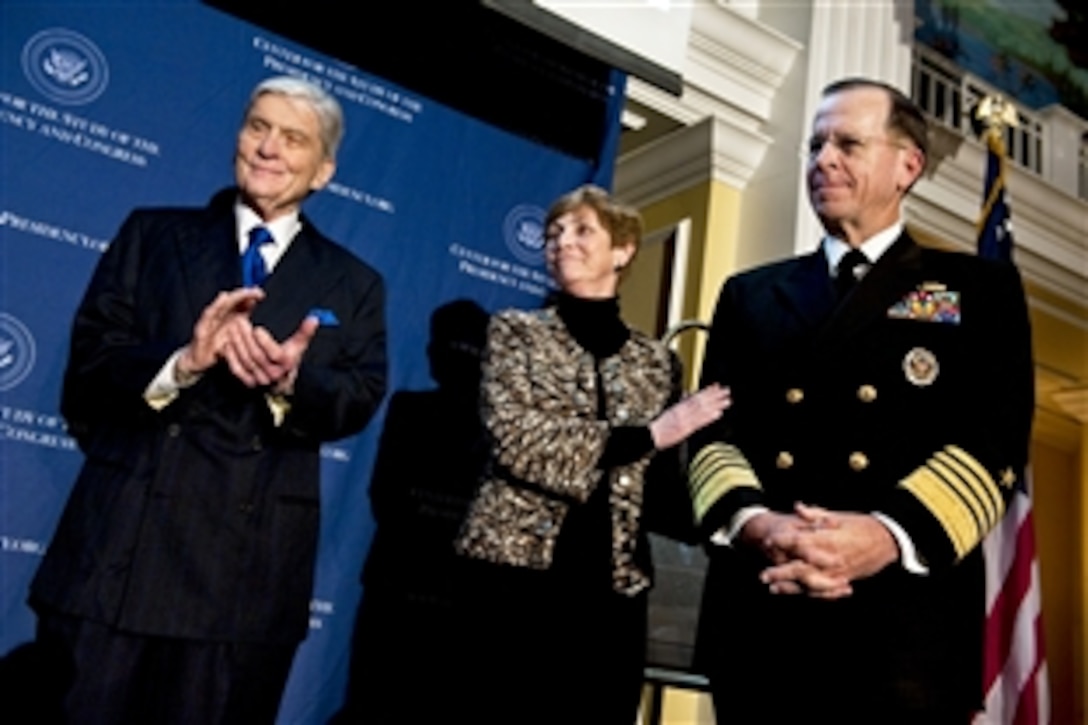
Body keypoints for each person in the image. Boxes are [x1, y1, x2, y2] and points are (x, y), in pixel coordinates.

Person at [27, 75, 387, 724]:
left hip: (245, 584)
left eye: (293, 138)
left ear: (324, 170)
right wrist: (183, 361)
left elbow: (357, 399)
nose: (269, 148)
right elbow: (89, 370)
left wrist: (288, 380)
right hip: (118, 559)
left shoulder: (355, 282)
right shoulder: (153, 235)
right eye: (258, 127)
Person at [687, 77, 1034, 723]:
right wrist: (762, 527)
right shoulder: (750, 294)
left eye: (847, 142)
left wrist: (881, 535)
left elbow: (994, 440)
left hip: (904, 633)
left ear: (908, 165)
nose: (822, 159)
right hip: (763, 619)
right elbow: (713, 438)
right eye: (816, 144)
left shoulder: (975, 289)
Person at [453, 185, 731, 724]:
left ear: (623, 250)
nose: (561, 242)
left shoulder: (658, 363)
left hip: (614, 587)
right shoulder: (516, 331)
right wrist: (653, 433)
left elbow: (663, 486)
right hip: (513, 577)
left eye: (582, 230)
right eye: (554, 234)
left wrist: (734, 520)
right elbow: (517, 440)